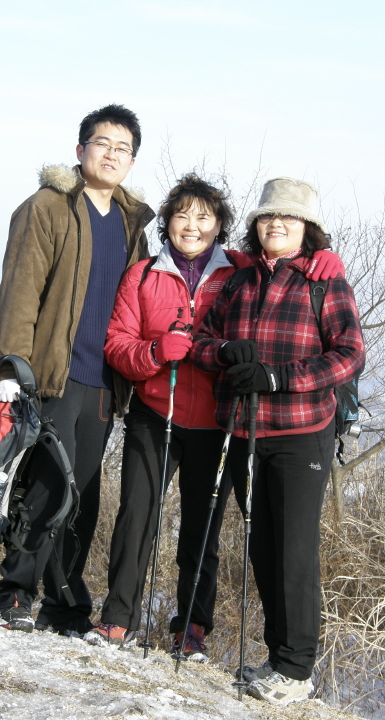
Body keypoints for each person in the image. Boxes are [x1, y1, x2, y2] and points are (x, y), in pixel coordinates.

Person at [83, 174, 345, 660]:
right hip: (157, 413)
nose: (192, 224)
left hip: (219, 425)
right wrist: (159, 351)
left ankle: (193, 628)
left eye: (204, 215)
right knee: (137, 516)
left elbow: (292, 265)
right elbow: (119, 344)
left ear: (220, 224)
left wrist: (322, 257)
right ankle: (119, 618)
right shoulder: (144, 274)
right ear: (168, 222)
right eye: (182, 214)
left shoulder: (241, 269)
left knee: (201, 530)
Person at [191, 177, 365, 702]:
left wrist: (280, 377)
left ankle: (296, 671)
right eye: (268, 217)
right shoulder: (240, 283)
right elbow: (201, 341)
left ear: (307, 228)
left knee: (294, 551)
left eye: (287, 218)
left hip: (301, 434)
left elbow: (350, 354)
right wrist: (223, 354)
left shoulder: (323, 283)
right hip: (244, 432)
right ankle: (277, 661)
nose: (276, 224)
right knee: (263, 549)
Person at [0, 104, 155, 636]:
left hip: (105, 383)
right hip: (53, 375)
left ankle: (64, 604)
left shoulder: (133, 224)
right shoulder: (49, 206)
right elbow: (19, 290)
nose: (111, 154)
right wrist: (14, 365)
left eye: (122, 148)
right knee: (43, 487)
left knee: (81, 495)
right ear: (80, 148)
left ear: (131, 161)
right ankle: (14, 591)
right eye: (102, 143)